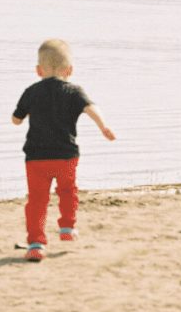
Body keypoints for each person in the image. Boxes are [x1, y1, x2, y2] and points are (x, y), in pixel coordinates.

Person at [12, 38, 115, 262]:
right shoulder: (74, 91)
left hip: (36, 158)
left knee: (37, 201)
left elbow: (16, 120)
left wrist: (27, 113)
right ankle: (67, 228)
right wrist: (103, 126)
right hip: (66, 156)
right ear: (70, 70)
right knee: (68, 190)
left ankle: (36, 244)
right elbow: (91, 108)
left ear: (39, 70)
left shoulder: (31, 92)